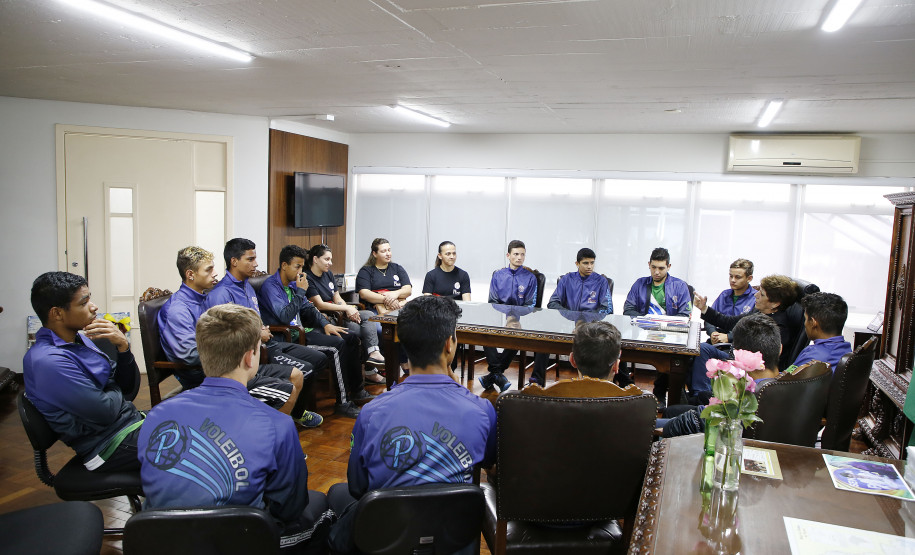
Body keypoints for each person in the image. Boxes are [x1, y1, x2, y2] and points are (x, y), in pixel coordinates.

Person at [138, 304, 333, 553]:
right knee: (323, 509)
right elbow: (289, 508)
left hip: (160, 541)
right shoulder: (278, 424)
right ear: (250, 357)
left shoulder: (156, 415)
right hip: (236, 541)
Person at [326, 296, 496, 555]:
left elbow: (358, 487)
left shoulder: (371, 412)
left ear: (404, 345)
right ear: (450, 344)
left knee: (336, 494)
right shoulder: (482, 411)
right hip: (454, 540)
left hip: (386, 540)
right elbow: (492, 467)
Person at [23, 272, 144, 471]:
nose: (94, 306)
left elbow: (128, 390)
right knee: (198, 446)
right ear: (57, 313)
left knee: (198, 422)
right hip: (108, 447)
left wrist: (122, 346)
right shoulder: (47, 361)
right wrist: (113, 387)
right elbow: (105, 412)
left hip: (128, 425)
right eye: (83, 302)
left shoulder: (79, 339)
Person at [205, 238, 327, 423]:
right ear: (234, 261)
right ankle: (286, 420)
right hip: (248, 356)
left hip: (268, 343)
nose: (256, 264)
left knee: (319, 359)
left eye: (255, 259)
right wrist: (256, 332)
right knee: (303, 371)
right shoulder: (221, 293)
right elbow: (224, 337)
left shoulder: (247, 285)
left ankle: (293, 412)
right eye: (250, 259)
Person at [258, 244, 375, 418]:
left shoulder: (292, 284)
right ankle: (342, 402)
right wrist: (300, 292)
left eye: (301, 267)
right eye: (297, 266)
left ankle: (357, 391)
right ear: (284, 266)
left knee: (349, 337)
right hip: (287, 338)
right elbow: (284, 316)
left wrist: (325, 323)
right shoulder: (272, 286)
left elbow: (309, 308)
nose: (300, 271)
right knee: (337, 346)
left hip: (302, 331)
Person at [660, 313, 782, 437]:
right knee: (672, 411)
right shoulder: (793, 382)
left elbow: (692, 423)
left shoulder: (740, 395)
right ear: (780, 349)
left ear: (736, 354)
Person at [304, 243, 385, 384]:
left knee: (369, 317)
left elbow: (337, 297)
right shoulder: (308, 278)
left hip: (340, 313)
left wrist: (349, 309)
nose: (330, 263)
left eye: (331, 259)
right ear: (315, 259)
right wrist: (346, 309)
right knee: (365, 330)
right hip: (327, 318)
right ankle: (370, 370)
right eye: (327, 259)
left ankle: (373, 353)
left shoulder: (328, 274)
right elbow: (319, 304)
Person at [623, 247, 692, 399]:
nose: (656, 272)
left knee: (670, 355)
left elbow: (685, 314)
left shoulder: (680, 286)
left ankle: (659, 394)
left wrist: (663, 324)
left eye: (661, 268)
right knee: (616, 345)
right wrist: (645, 321)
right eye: (653, 267)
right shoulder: (640, 284)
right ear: (649, 264)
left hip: (667, 333)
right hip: (642, 330)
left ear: (669, 267)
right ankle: (625, 388)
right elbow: (628, 309)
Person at [481, 239, 549, 390]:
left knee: (517, 333)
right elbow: (492, 301)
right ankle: (497, 373)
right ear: (508, 255)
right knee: (483, 332)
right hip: (499, 317)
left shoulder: (531, 277)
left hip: (522, 319)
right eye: (516, 254)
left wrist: (513, 317)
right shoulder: (498, 275)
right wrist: (507, 314)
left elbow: (530, 305)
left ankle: (494, 374)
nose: (519, 257)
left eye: (522, 255)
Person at [694, 274, 800, 370]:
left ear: (775, 304)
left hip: (746, 368)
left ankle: (702, 391)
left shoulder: (777, 327)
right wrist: (704, 308)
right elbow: (730, 322)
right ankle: (701, 391)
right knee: (700, 350)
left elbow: (759, 360)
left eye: (762, 294)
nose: (756, 295)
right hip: (734, 355)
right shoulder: (758, 311)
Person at [157, 246, 219, 388]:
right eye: (209, 269)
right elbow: (190, 354)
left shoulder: (202, 298)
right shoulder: (178, 309)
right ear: (190, 274)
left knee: (275, 375)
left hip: (217, 369)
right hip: (203, 376)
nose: (215, 273)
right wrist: (229, 346)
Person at [787, 292, 852, 372]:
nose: (805, 323)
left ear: (813, 323)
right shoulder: (846, 348)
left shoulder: (812, 357)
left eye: (806, 319)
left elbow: (781, 382)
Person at [356, 238, 412, 316]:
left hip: (399, 306)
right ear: (375, 254)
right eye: (383, 251)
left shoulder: (397, 268)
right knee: (381, 327)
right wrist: (388, 300)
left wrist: (395, 293)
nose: (388, 254)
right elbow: (364, 294)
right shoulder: (365, 271)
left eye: (389, 250)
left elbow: (408, 290)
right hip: (376, 309)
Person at [547, 247, 612, 314]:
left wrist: (587, 317)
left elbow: (607, 308)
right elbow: (552, 303)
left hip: (592, 322)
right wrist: (569, 314)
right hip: (568, 320)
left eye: (592, 263)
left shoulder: (601, 281)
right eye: (585, 263)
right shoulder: (566, 279)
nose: (589, 267)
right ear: (577, 264)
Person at [706, 258, 756, 342]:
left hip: (740, 345)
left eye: (738, 277)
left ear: (749, 278)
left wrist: (729, 337)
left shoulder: (756, 298)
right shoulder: (724, 295)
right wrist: (713, 333)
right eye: (731, 276)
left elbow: (753, 329)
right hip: (718, 340)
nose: (733, 280)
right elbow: (709, 318)